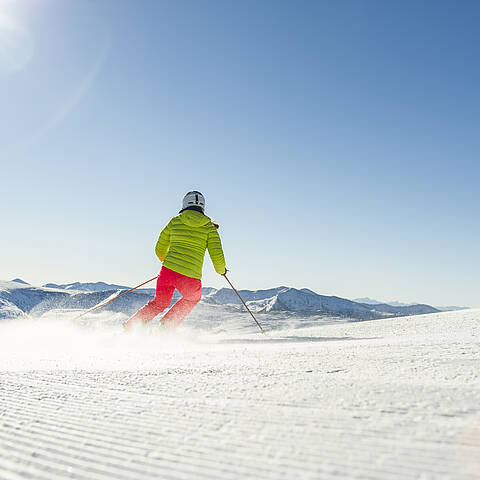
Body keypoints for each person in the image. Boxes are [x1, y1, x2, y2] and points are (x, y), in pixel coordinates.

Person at [125, 191, 226, 329]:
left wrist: (169, 265)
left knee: (159, 303)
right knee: (192, 298)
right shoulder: (209, 228)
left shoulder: (175, 221)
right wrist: (221, 271)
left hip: (167, 272)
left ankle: (130, 327)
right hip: (190, 277)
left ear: (184, 204)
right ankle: (165, 327)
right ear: (203, 206)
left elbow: (159, 249)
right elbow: (217, 255)